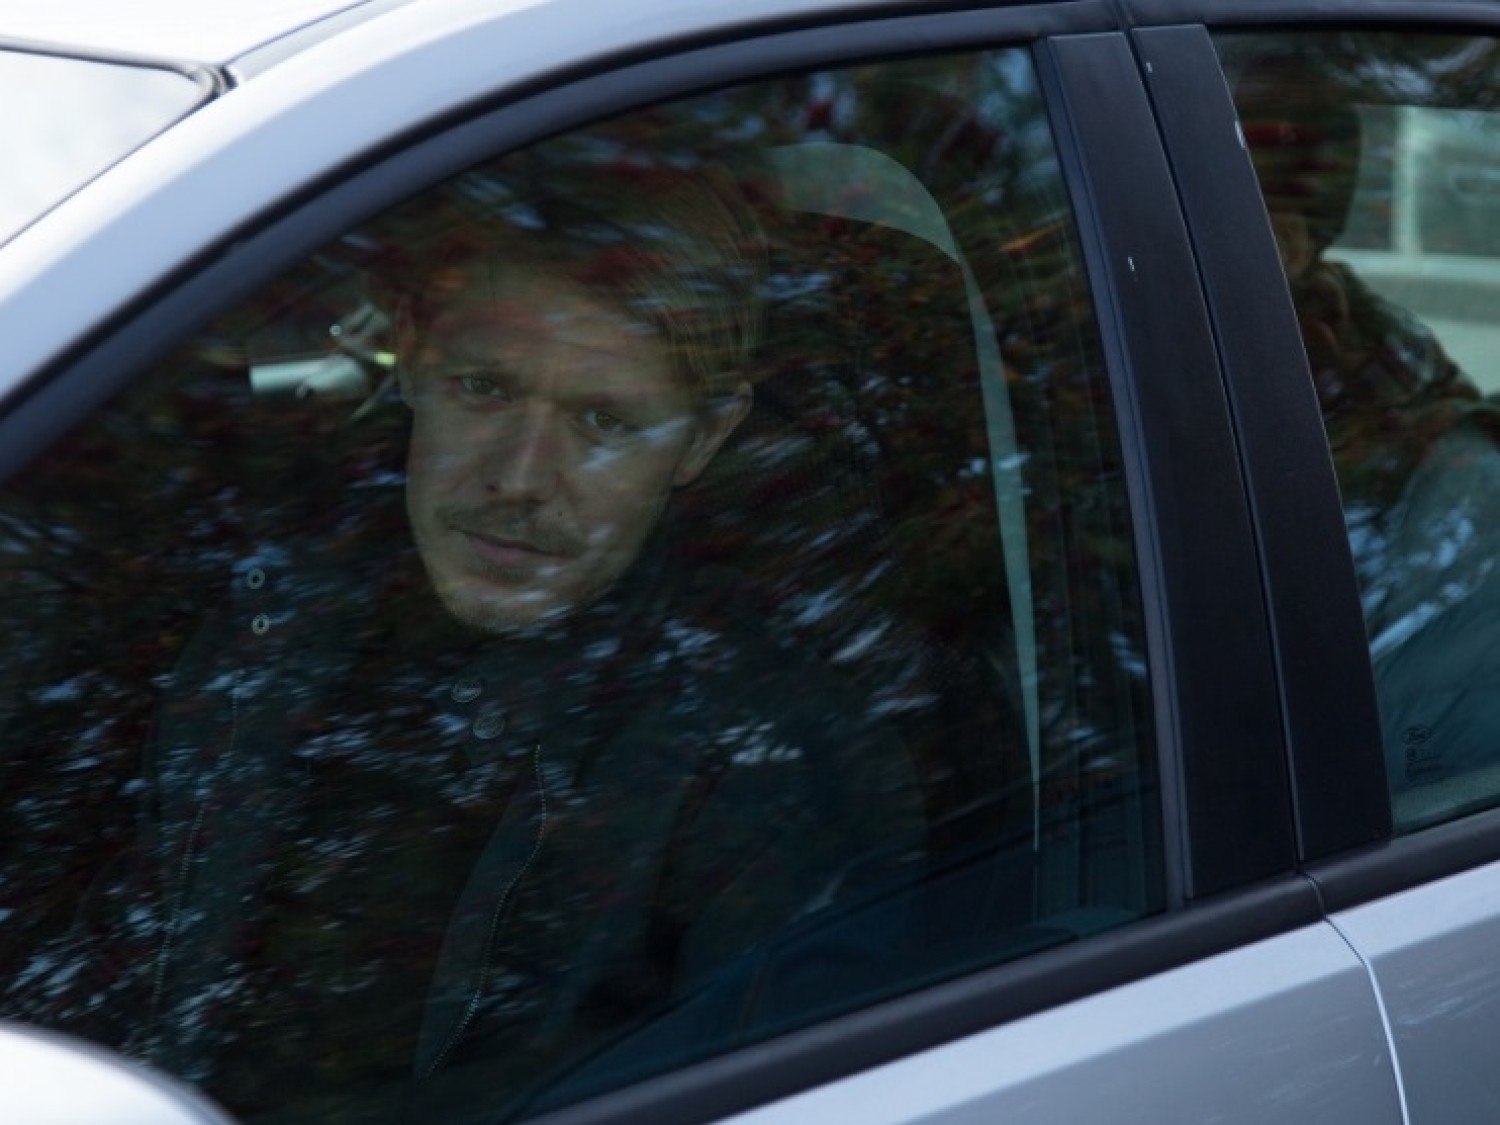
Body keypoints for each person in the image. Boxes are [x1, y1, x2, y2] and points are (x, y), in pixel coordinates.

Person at [6, 168, 923, 1122]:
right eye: (484, 389)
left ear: (704, 437)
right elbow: (107, 948)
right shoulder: (258, 602)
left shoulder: (772, 769)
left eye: (604, 421)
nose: (520, 477)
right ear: (410, 357)